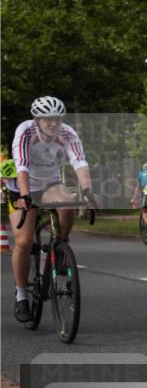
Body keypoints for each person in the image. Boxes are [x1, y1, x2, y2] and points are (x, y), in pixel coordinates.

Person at [9, 96, 97, 322]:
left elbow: (79, 162)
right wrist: (26, 196)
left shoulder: (67, 133)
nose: (53, 124)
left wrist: (87, 191)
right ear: (36, 119)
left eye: (57, 119)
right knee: (23, 241)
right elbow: (22, 165)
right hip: (21, 184)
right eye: (47, 119)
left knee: (67, 206)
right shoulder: (25, 132)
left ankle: (61, 247)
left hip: (50, 183)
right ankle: (21, 296)